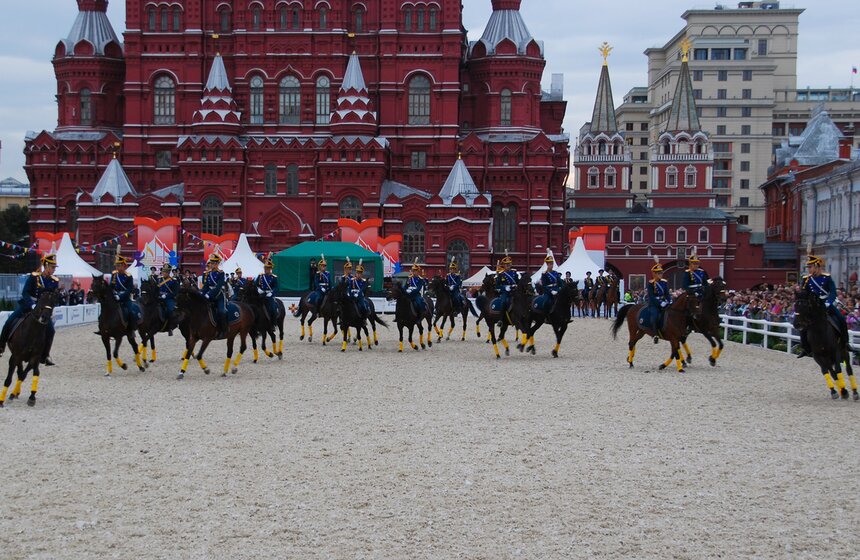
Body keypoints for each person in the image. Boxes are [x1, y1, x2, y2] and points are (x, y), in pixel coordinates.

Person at [0, 253, 59, 365]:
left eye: (54, 268)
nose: (54, 270)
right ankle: (1, 346)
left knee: (51, 330)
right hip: (28, 306)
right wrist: (31, 304)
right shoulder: (34, 277)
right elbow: (25, 292)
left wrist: (51, 308)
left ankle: (45, 355)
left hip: (43, 310)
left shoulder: (54, 281)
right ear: (46, 266)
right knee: (9, 322)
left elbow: (53, 297)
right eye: (52, 267)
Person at [797, 253, 848, 358]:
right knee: (803, 324)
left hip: (826, 304)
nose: (809, 269)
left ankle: (845, 343)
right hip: (813, 306)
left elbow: (833, 292)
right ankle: (805, 347)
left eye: (810, 267)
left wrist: (828, 302)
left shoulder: (827, 278)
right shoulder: (807, 279)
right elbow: (804, 293)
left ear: (816, 267)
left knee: (841, 319)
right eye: (808, 267)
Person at [111, 254, 141, 330]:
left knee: (131, 312)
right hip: (114, 297)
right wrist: (113, 293)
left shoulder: (128, 276)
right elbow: (111, 286)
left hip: (125, 298)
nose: (118, 267)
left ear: (124, 266)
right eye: (117, 265)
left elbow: (129, 289)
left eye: (120, 265)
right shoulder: (114, 275)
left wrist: (120, 296)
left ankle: (131, 329)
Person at [201, 253, 228, 337]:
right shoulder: (207, 274)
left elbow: (218, 286)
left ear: (217, 264)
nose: (211, 264)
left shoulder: (221, 273)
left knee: (222, 311)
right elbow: (206, 286)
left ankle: (223, 330)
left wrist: (209, 294)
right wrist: (202, 293)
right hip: (209, 295)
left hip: (218, 295)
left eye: (213, 263)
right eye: (211, 263)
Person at [647, 261, 672, 343]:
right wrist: (660, 303)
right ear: (654, 274)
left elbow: (667, 294)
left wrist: (669, 301)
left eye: (661, 273)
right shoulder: (650, 283)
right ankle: (655, 334)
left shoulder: (664, 282)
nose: (661, 274)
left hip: (664, 301)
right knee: (654, 316)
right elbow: (651, 296)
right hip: (654, 304)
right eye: (659, 273)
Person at [157, 263, 178, 333]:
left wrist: (166, 296)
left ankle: (170, 327)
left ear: (169, 272)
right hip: (159, 298)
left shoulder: (173, 280)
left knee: (170, 310)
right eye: (163, 271)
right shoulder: (159, 279)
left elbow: (175, 292)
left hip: (169, 299)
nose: (164, 273)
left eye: (166, 272)